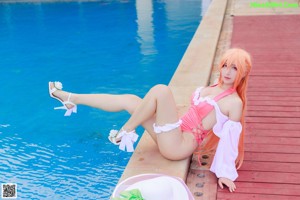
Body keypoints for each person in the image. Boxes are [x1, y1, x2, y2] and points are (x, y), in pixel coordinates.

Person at [48, 48, 252, 193]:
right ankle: (69, 98)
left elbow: (230, 141)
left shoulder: (234, 103)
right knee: (130, 100)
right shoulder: (214, 86)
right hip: (175, 132)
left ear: (243, 73)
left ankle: (125, 131)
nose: (227, 71)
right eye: (225, 65)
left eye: (234, 68)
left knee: (161, 90)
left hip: (180, 145)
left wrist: (225, 173)